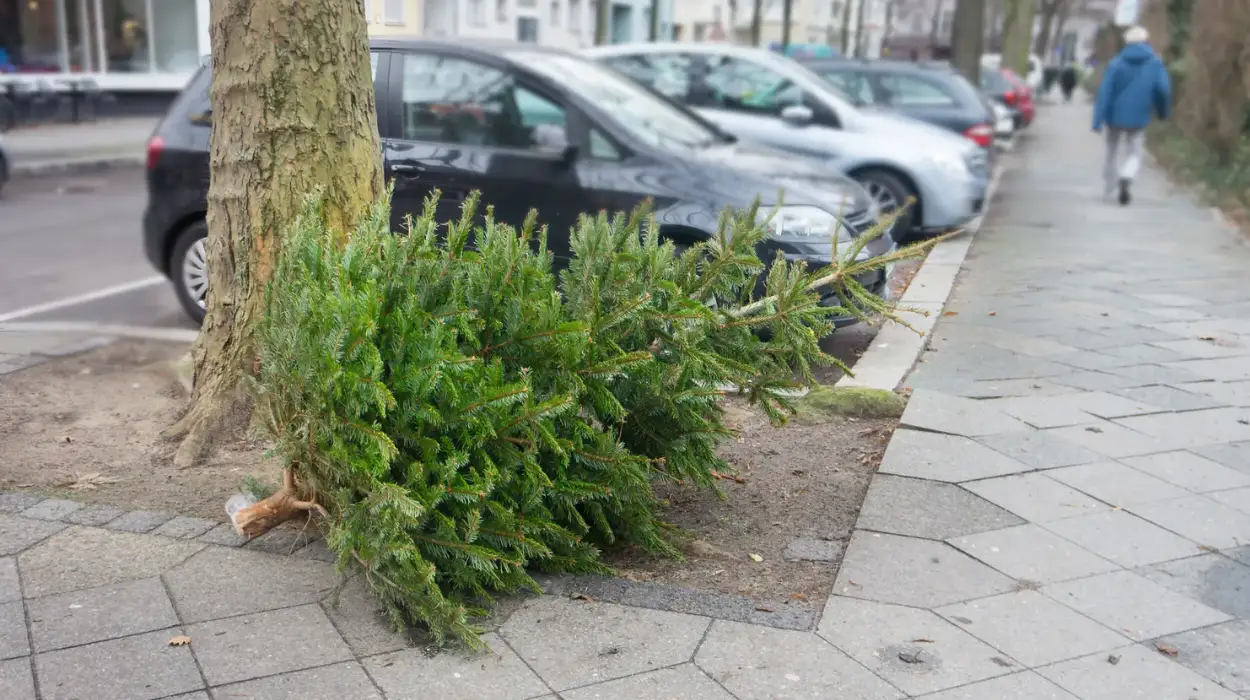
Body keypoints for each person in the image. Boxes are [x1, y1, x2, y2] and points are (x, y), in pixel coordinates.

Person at [1092, 26, 1172, 206]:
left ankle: (1109, 186)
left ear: (1126, 42)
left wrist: (1097, 120)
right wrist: (1162, 112)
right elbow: (1163, 90)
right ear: (1146, 41)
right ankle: (1127, 175)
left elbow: (1105, 92)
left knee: (1111, 149)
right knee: (1135, 152)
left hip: (1114, 115)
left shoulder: (1116, 63)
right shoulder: (1155, 63)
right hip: (1140, 114)